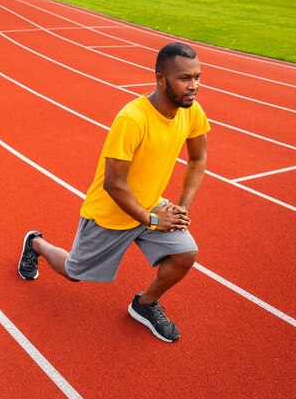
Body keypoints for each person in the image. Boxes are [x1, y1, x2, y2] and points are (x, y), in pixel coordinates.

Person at [18, 42, 210, 342]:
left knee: (185, 254)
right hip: (112, 212)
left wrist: (182, 209)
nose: (193, 86)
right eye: (185, 78)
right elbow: (114, 183)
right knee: (73, 272)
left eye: (197, 77)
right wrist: (153, 220)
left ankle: (145, 305)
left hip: (151, 207)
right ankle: (36, 244)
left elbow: (198, 159)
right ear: (161, 79)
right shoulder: (132, 119)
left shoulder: (192, 111)